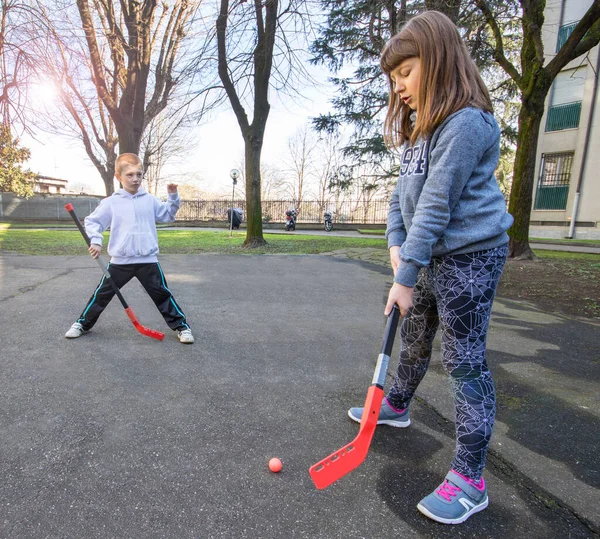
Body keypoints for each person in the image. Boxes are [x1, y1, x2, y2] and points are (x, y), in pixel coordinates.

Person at [347, 11, 513, 525]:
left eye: (405, 74)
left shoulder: (466, 123)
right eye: (393, 80)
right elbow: (402, 199)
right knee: (416, 336)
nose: (398, 90)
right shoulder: (421, 133)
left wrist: (404, 275)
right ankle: (396, 403)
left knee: (464, 360)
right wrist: (398, 248)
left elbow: (438, 203)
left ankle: (470, 478)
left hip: (471, 256)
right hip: (430, 255)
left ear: (438, 60)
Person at [65, 153, 194, 344]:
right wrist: (96, 241)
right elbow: (93, 222)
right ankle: (82, 324)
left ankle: (182, 327)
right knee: (102, 294)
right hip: (120, 262)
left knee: (162, 294)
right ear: (119, 177)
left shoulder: (149, 200)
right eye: (130, 175)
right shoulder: (111, 202)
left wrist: (173, 196)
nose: (135, 179)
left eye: (139, 174)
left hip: (147, 261)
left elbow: (167, 215)